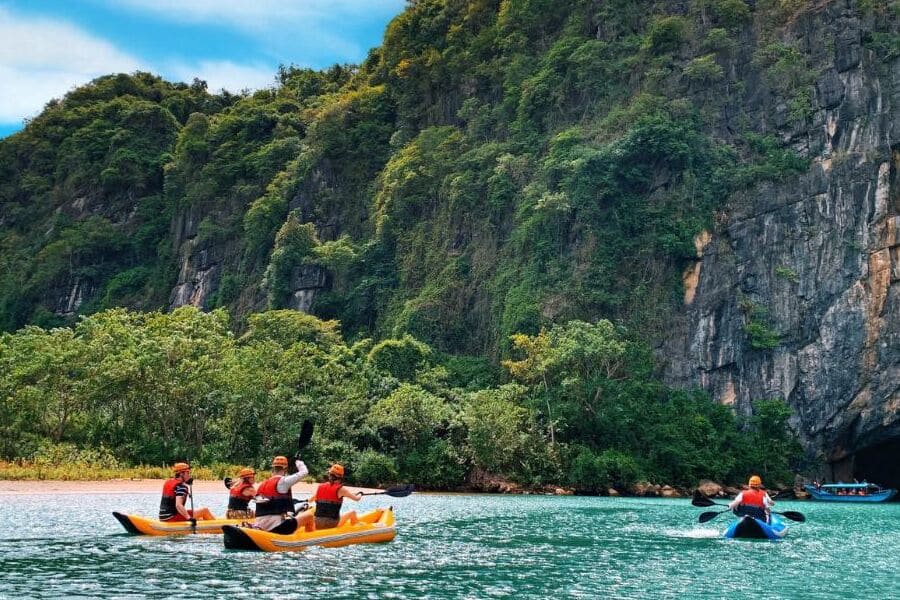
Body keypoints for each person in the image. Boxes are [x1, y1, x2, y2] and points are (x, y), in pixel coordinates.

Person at [254, 456, 315, 533]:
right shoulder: (284, 481)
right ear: (285, 469)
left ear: (273, 468)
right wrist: (298, 462)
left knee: (293, 515)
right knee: (309, 516)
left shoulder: (262, 484)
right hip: (278, 527)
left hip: (260, 525)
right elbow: (304, 472)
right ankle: (310, 538)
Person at [309, 463, 362, 530]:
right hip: (331, 524)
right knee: (352, 512)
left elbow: (310, 500)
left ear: (329, 475)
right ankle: (356, 531)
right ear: (341, 477)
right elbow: (357, 499)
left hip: (316, 522)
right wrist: (360, 494)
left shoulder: (320, 486)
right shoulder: (341, 489)